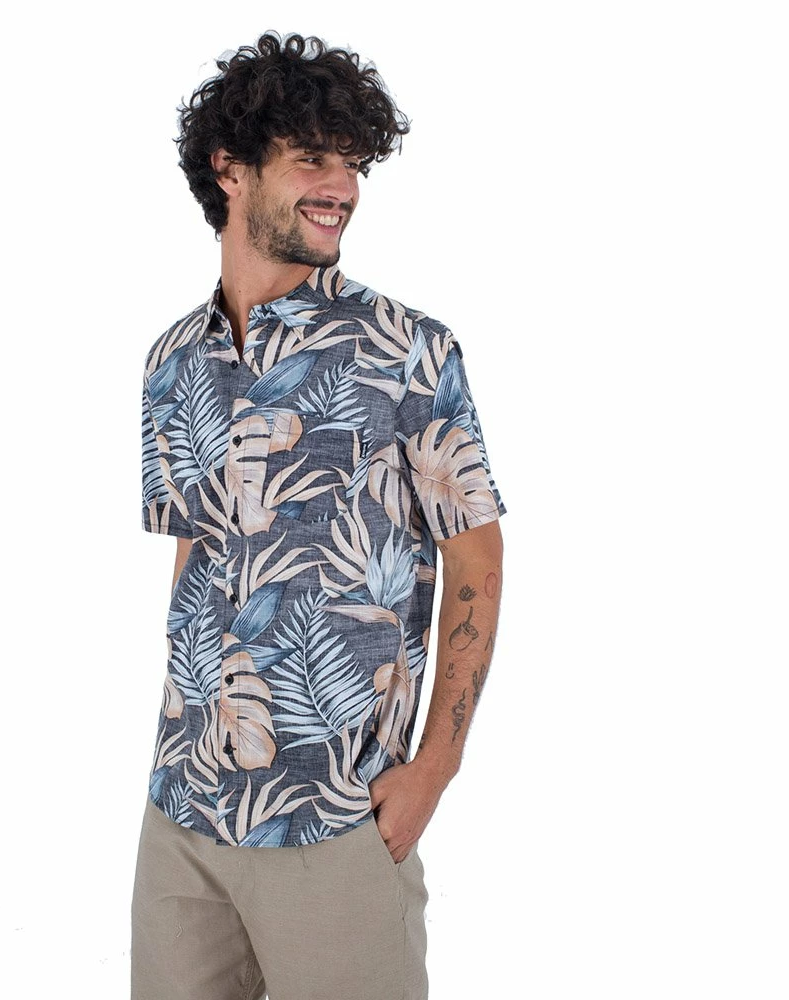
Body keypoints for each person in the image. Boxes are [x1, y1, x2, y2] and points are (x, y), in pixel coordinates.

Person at [133, 30, 507, 1000]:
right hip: (182, 817)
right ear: (230, 169)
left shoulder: (408, 351)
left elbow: (476, 558)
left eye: (353, 163)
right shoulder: (171, 361)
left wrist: (434, 770)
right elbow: (196, 554)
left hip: (337, 817)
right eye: (312, 158)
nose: (342, 186)